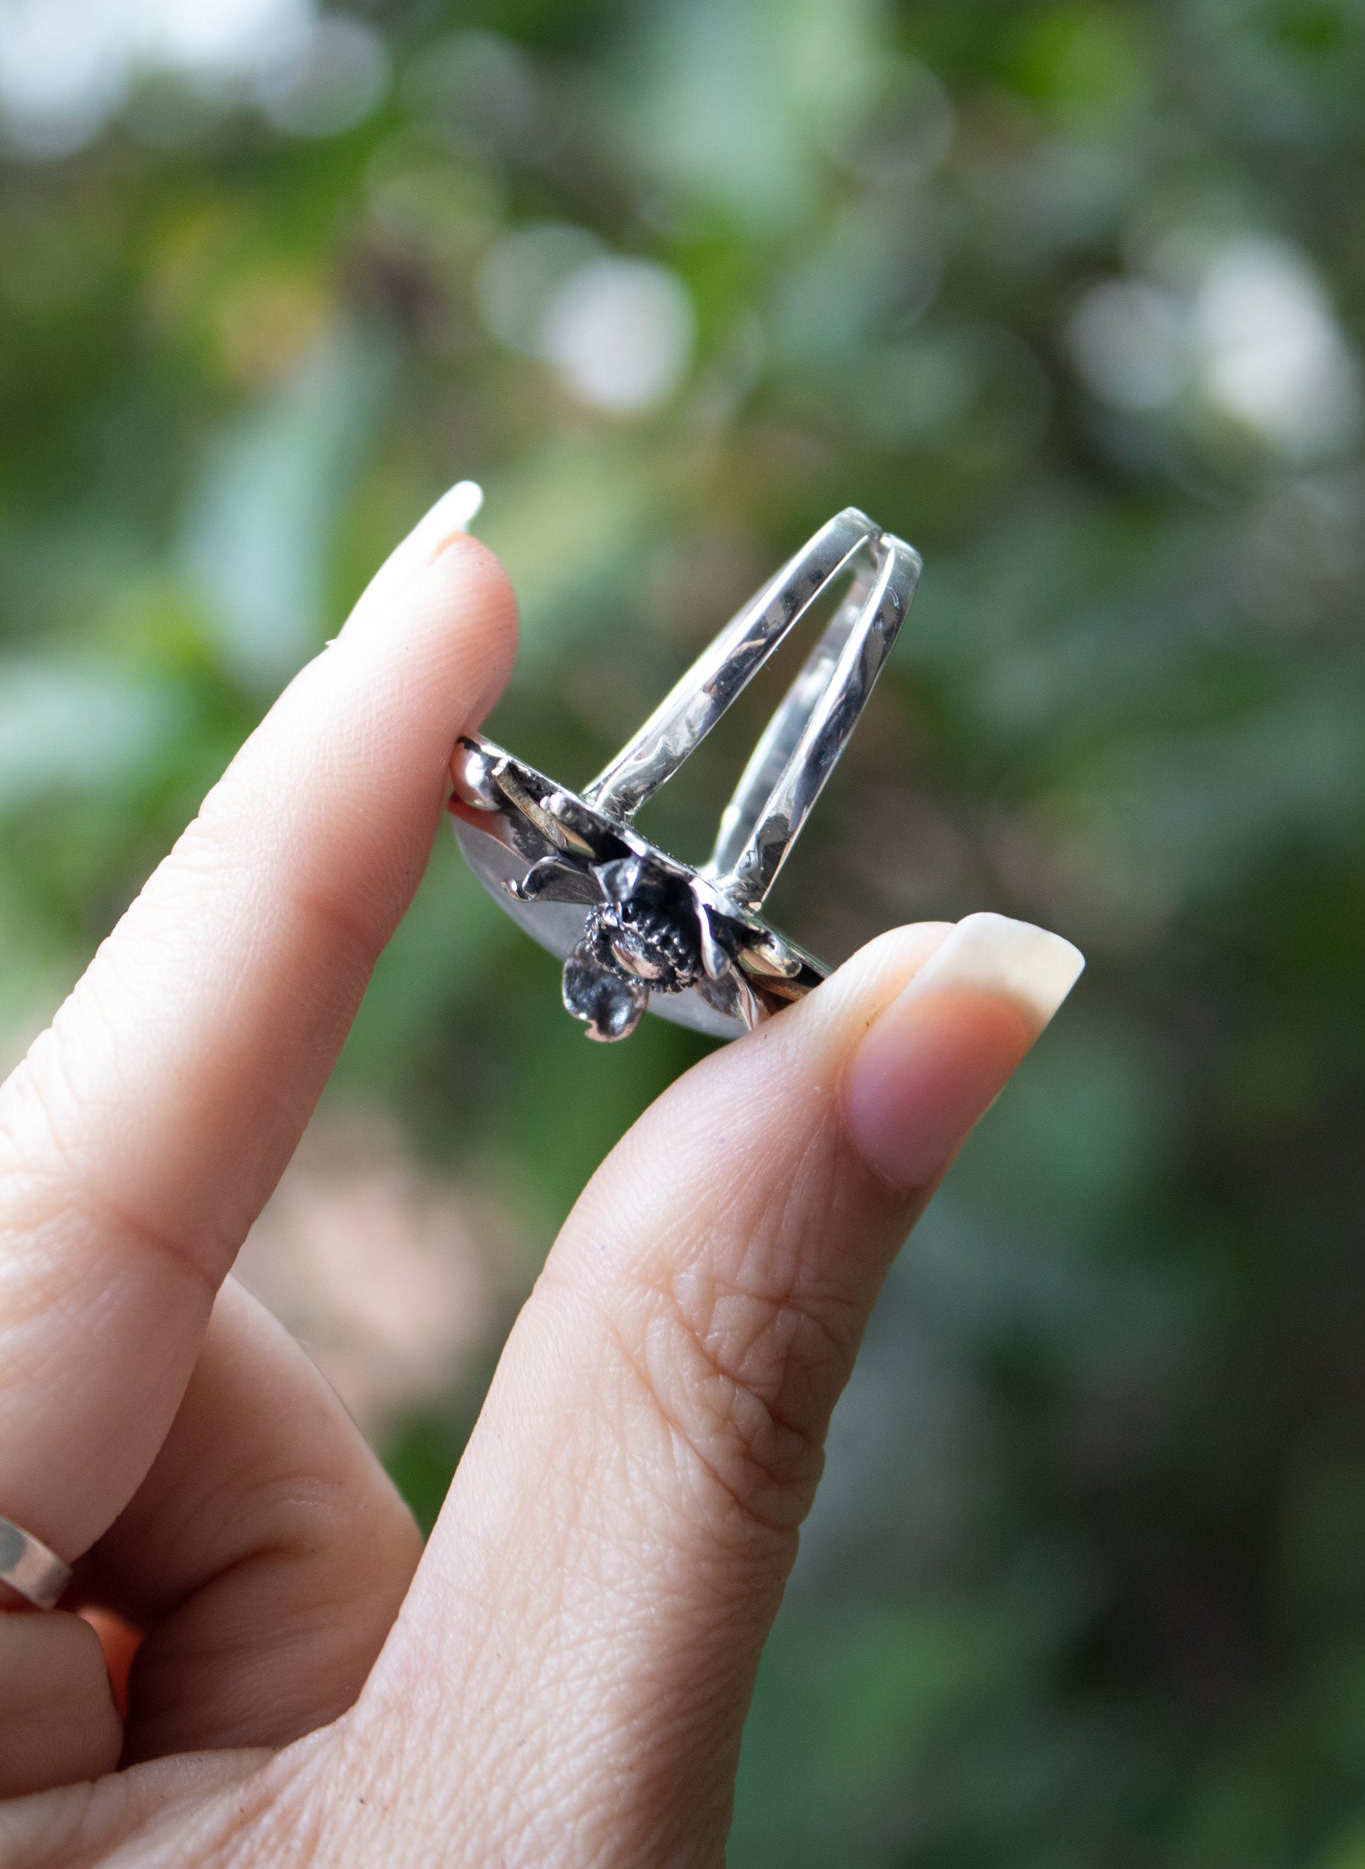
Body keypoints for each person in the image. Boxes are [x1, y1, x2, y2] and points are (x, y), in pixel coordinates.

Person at [0, 492, 1082, 1864]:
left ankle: (854, 568)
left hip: (647, 870)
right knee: (723, 795)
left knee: (722, 743)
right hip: (665, 884)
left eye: (614, 992)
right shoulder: (620, 917)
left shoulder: (592, 898)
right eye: (607, 988)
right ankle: (848, 575)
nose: (606, 993)